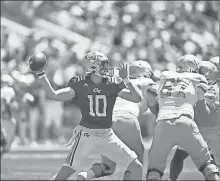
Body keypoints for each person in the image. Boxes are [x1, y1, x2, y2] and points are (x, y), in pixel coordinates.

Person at [30, 51, 143, 180]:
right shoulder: (79, 83)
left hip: (107, 136)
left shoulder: (112, 83)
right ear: (94, 67)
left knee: (137, 167)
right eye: (103, 65)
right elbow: (53, 95)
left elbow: (137, 98)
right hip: (86, 136)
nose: (106, 68)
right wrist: (41, 74)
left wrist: (126, 80)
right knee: (62, 176)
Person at [77, 60, 158, 180]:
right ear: (147, 72)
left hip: (104, 121)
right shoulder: (147, 82)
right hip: (125, 118)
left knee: (108, 166)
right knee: (137, 161)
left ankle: (86, 175)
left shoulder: (116, 81)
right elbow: (154, 105)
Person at [146, 54, 219, 181]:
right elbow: (203, 108)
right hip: (189, 123)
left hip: (163, 123)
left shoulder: (165, 75)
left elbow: (153, 97)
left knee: (155, 169)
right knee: (207, 165)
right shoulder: (198, 79)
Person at [169, 57, 220, 180]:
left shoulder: (194, 84)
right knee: (212, 159)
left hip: (198, 127)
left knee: (179, 156)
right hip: (215, 128)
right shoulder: (214, 86)